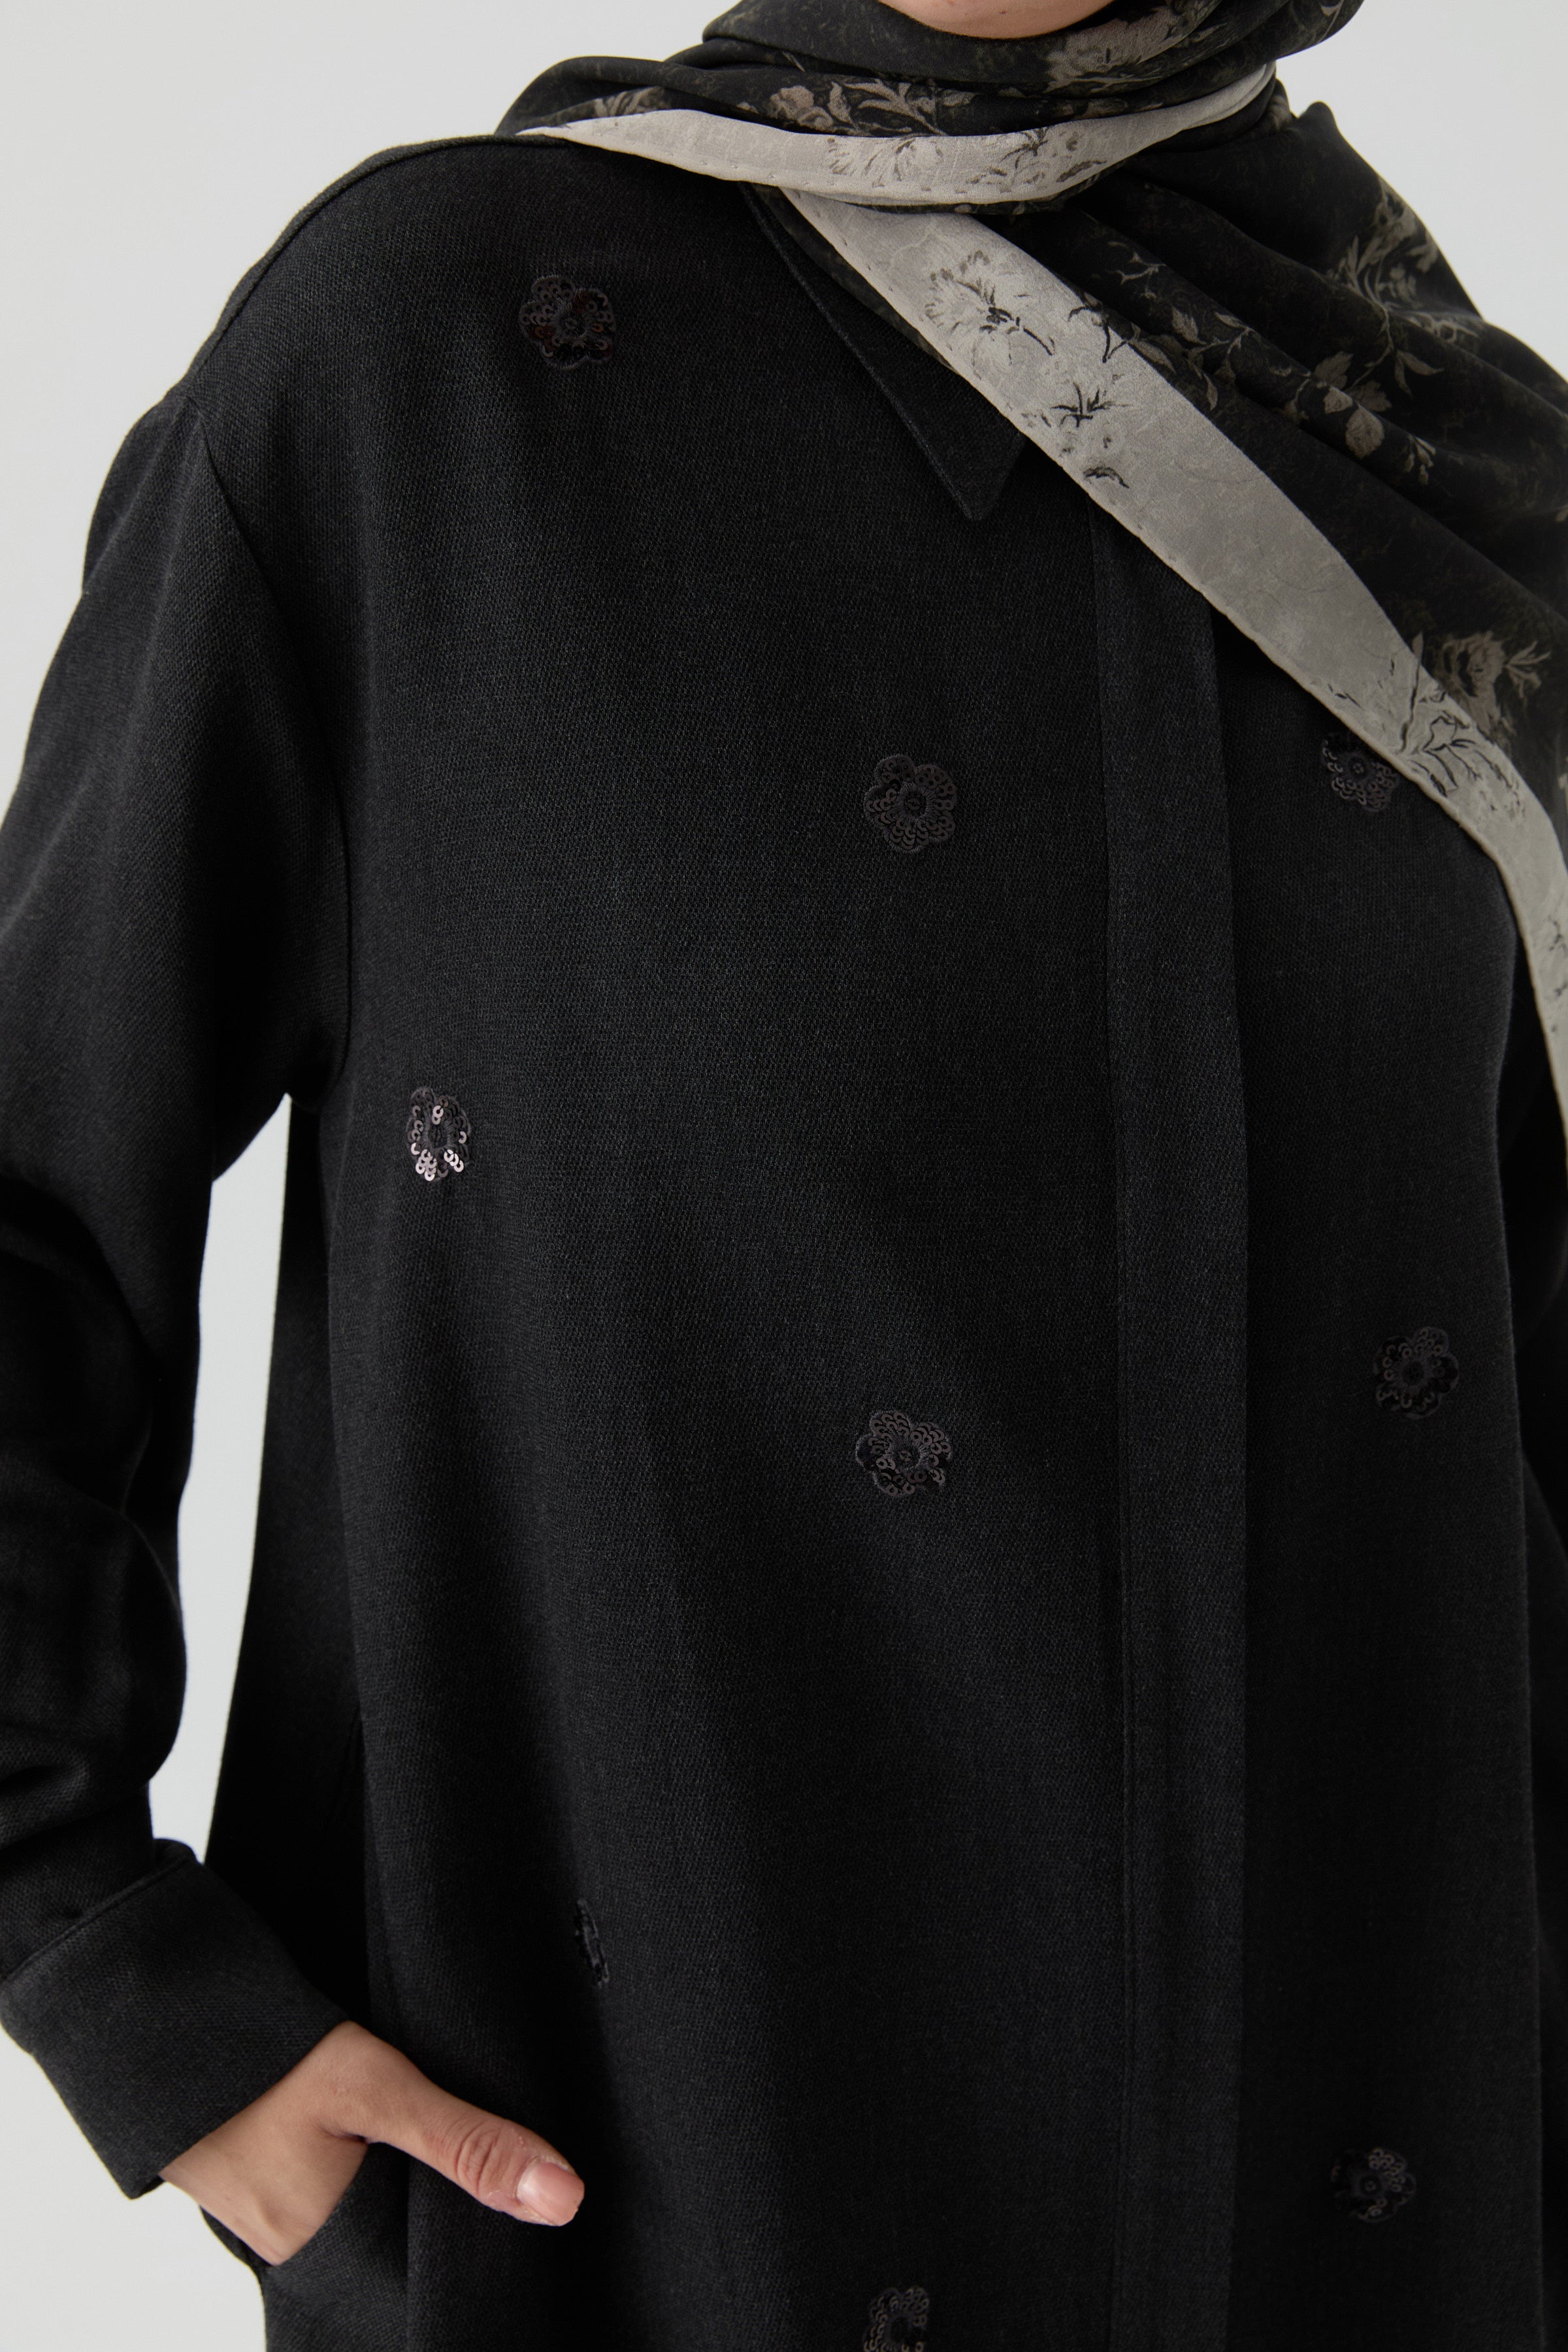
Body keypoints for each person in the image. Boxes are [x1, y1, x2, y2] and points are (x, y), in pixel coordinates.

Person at [2, 0, 1565, 2344]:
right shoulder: (431, 373)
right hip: (653, 2230)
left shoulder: (1450, 450)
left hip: (1385, 2222)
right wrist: (119, 1976)